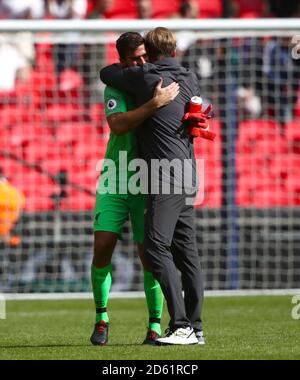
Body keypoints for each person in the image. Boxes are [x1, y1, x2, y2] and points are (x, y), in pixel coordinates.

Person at [100, 27, 205, 345]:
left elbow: (106, 73)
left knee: (155, 246)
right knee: (187, 252)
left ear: (152, 52)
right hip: (189, 171)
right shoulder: (189, 76)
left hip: (164, 173)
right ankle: (197, 328)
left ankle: (181, 326)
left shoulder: (146, 77)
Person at [90, 32, 180, 346]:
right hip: (115, 176)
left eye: (144, 56)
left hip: (147, 177)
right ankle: (102, 319)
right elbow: (118, 124)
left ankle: (154, 325)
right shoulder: (116, 86)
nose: (141, 63)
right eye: (135, 59)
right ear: (124, 61)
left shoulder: (158, 81)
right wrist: (154, 104)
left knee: (148, 255)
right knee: (102, 247)